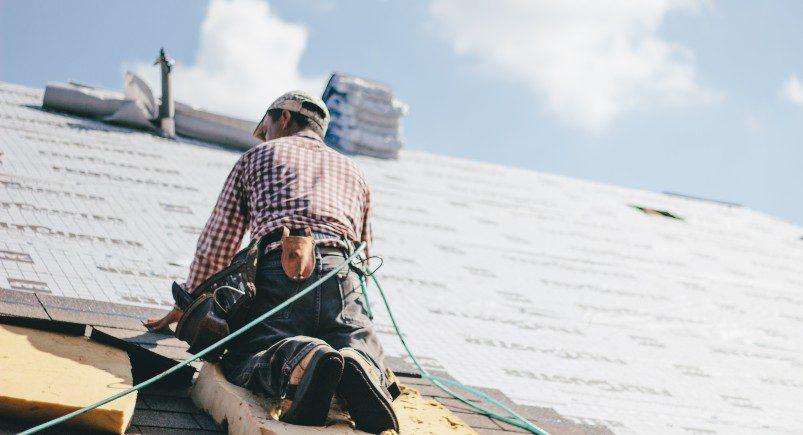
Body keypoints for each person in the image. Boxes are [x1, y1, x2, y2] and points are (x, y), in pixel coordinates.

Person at [145, 91, 398, 433]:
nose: (265, 135)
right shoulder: (354, 171)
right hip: (342, 273)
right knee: (354, 342)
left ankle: (304, 359)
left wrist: (189, 301)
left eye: (266, 127)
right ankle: (359, 363)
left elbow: (218, 241)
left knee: (249, 353)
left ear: (283, 119)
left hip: (280, 267)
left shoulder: (258, 156)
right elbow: (365, 252)